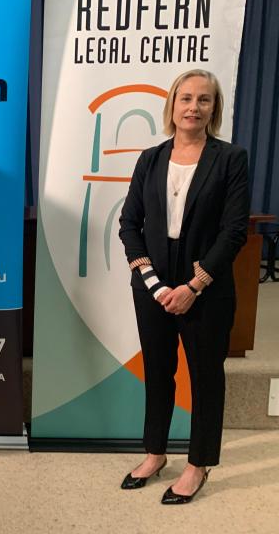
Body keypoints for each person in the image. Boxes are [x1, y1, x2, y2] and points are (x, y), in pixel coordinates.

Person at [118, 69, 250, 504]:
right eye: (186, 98)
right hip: (153, 286)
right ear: (172, 104)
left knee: (205, 376)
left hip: (206, 286)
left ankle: (198, 465)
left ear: (215, 109)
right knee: (157, 371)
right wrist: (156, 285)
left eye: (204, 100)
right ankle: (155, 453)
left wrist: (194, 285)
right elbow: (129, 224)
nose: (194, 107)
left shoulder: (231, 159)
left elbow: (233, 232)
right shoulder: (150, 159)